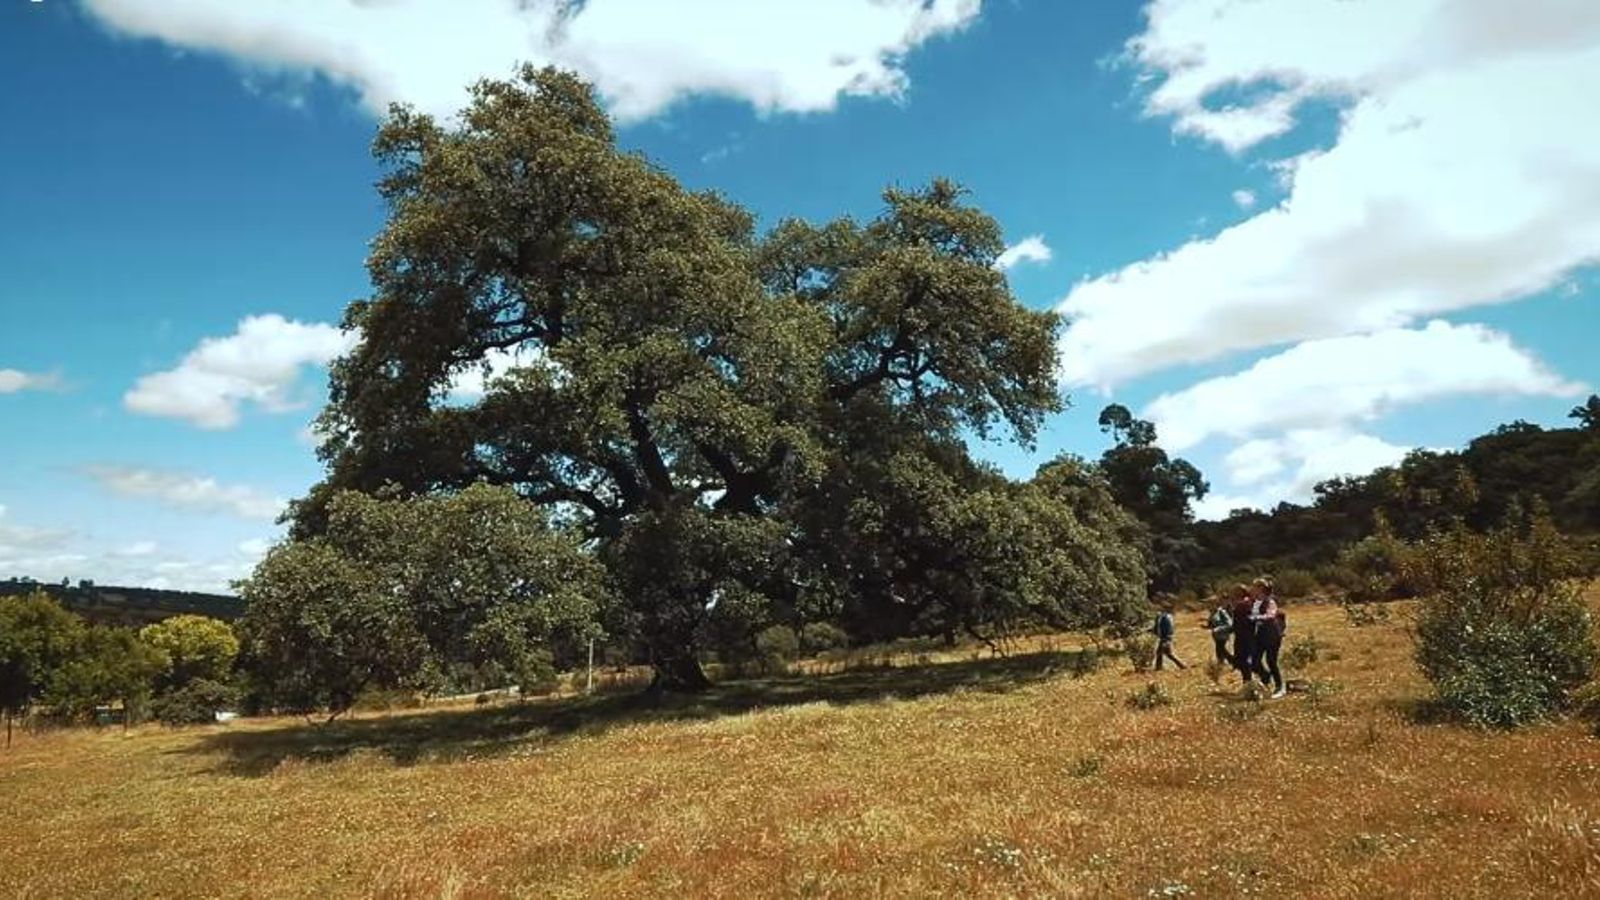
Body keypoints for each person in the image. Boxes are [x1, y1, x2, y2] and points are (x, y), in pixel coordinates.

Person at [1249, 576, 1286, 698]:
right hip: (1260, 635)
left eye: (1254, 587)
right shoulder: (1256, 603)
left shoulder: (1270, 602)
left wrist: (1256, 618)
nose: (1252, 589)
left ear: (1260, 589)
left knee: (1271, 661)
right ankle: (1265, 677)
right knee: (1254, 662)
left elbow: (1270, 615)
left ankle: (1280, 687)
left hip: (1272, 635)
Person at [1230, 583, 1256, 690]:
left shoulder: (1243, 604)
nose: (1234, 593)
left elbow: (1243, 620)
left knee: (1243, 660)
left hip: (1244, 635)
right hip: (1245, 634)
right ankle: (1248, 682)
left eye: (1236, 591)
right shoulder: (1248, 602)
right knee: (1243, 659)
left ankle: (1248, 682)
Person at [1152, 602, 1185, 671]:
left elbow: (1163, 629)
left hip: (1165, 638)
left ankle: (1182, 665)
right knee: (1160, 653)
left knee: (1168, 654)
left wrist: (1162, 636)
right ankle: (1159, 667)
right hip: (1167, 637)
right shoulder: (1168, 616)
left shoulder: (1164, 617)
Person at [1207, 591, 1235, 664]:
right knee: (1219, 649)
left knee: (1221, 649)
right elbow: (1212, 623)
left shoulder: (1221, 612)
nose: (1209, 606)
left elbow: (1229, 624)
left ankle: (1232, 661)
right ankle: (1222, 663)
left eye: (1211, 604)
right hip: (1216, 635)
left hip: (1222, 634)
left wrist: (1218, 629)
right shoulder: (1213, 612)